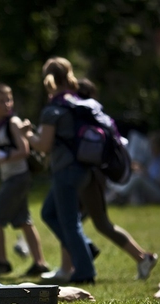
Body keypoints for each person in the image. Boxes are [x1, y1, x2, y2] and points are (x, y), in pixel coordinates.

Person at [23, 57, 96, 284]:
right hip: (84, 168)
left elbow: (43, 145)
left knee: (69, 222)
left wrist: (26, 133)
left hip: (66, 170)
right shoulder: (78, 102)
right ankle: (84, 248)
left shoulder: (54, 108)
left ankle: (85, 272)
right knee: (49, 213)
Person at [0, 83, 49, 277]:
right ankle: (40, 264)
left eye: (9, 99)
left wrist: (0, 159)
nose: (7, 104)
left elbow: (24, 151)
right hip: (10, 176)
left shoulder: (13, 122)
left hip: (19, 177)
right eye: (1, 100)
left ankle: (2, 262)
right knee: (23, 221)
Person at [107, 130, 160, 205]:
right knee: (135, 177)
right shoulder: (156, 158)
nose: (151, 147)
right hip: (157, 190)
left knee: (138, 178)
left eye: (153, 144)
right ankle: (131, 203)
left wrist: (144, 172)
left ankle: (118, 195)